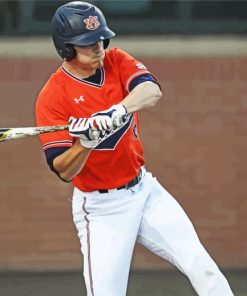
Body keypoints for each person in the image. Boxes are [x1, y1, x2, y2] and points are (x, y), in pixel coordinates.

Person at [35, 1, 234, 296]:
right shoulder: (53, 96)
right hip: (101, 208)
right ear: (66, 47)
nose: (98, 47)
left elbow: (151, 91)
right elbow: (63, 169)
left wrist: (117, 110)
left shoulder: (116, 61)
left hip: (144, 190)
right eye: (87, 43)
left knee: (200, 264)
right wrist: (85, 144)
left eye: (100, 38)